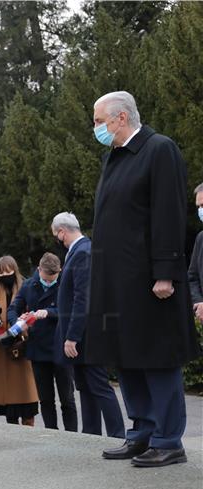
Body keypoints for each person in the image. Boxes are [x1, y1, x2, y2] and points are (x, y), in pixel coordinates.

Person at [87, 91, 199, 467]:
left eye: (99, 120)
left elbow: (168, 213)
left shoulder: (159, 150)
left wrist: (165, 272)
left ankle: (168, 439)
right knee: (128, 357)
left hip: (149, 280)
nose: (96, 127)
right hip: (118, 280)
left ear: (121, 118)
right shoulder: (114, 158)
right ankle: (141, 433)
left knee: (157, 358)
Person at [52, 212, 124, 438]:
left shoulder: (82, 252)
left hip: (86, 336)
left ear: (62, 231)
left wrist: (72, 336)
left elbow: (82, 299)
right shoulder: (80, 251)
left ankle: (117, 434)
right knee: (85, 387)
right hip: (84, 334)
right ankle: (90, 434)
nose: (57, 239)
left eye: (56, 234)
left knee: (99, 387)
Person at [8, 253, 77, 431]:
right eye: (45, 278)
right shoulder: (29, 285)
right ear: (39, 270)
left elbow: (72, 310)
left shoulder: (66, 283)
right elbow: (13, 307)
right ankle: (51, 432)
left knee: (67, 399)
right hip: (38, 348)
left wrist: (49, 312)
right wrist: (17, 320)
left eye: (52, 278)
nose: (48, 281)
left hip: (60, 345)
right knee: (45, 399)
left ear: (60, 271)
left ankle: (72, 435)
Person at [0, 256, 39, 426]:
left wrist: (23, 327)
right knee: (7, 401)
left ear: (15, 270)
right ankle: (13, 434)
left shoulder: (27, 286)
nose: (4, 274)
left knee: (27, 396)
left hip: (22, 344)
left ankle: (29, 433)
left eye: (8, 270)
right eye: (0, 271)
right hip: (1, 346)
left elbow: (33, 313)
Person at [187, 183, 203, 323]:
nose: (200, 211)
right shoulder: (201, 238)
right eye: (198, 207)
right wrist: (199, 302)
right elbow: (192, 277)